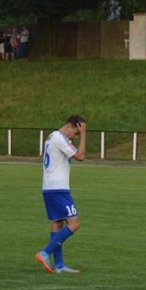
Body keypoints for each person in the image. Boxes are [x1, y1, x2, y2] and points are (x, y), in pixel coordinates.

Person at [35, 115, 88, 274]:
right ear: (71, 126)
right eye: (76, 133)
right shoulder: (60, 138)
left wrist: (78, 135)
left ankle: (59, 265)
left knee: (57, 225)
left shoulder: (53, 136)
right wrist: (84, 134)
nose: (76, 137)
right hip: (58, 188)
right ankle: (44, 253)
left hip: (49, 187)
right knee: (74, 224)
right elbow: (80, 156)